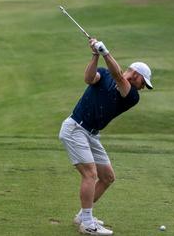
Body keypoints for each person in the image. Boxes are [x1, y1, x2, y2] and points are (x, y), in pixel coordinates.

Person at [59, 38, 153, 235]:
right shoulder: (102, 74)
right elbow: (88, 78)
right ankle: (87, 224)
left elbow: (119, 77)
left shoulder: (132, 95)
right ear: (136, 74)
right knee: (90, 174)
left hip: (92, 135)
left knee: (107, 177)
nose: (144, 86)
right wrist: (95, 55)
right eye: (143, 82)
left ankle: (82, 216)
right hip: (75, 128)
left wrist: (105, 52)